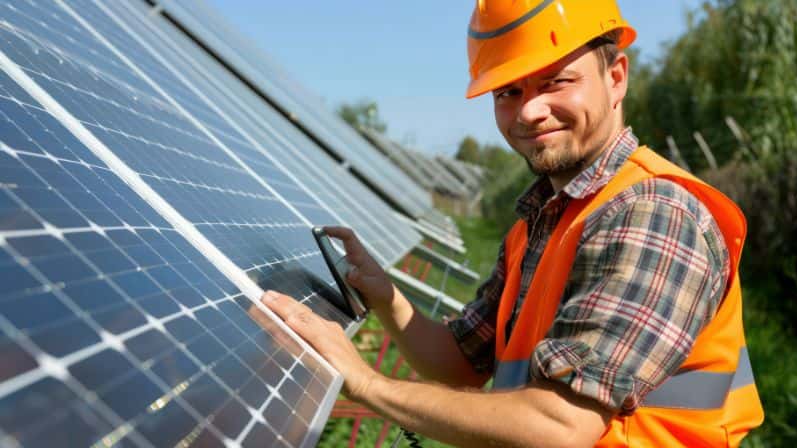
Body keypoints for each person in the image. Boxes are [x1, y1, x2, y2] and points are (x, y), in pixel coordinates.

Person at [262, 1, 764, 446]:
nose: (530, 110)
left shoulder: (653, 215)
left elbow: (560, 426)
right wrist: (385, 296)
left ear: (616, 78)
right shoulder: (541, 220)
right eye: (508, 91)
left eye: (556, 81)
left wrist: (366, 382)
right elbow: (460, 362)